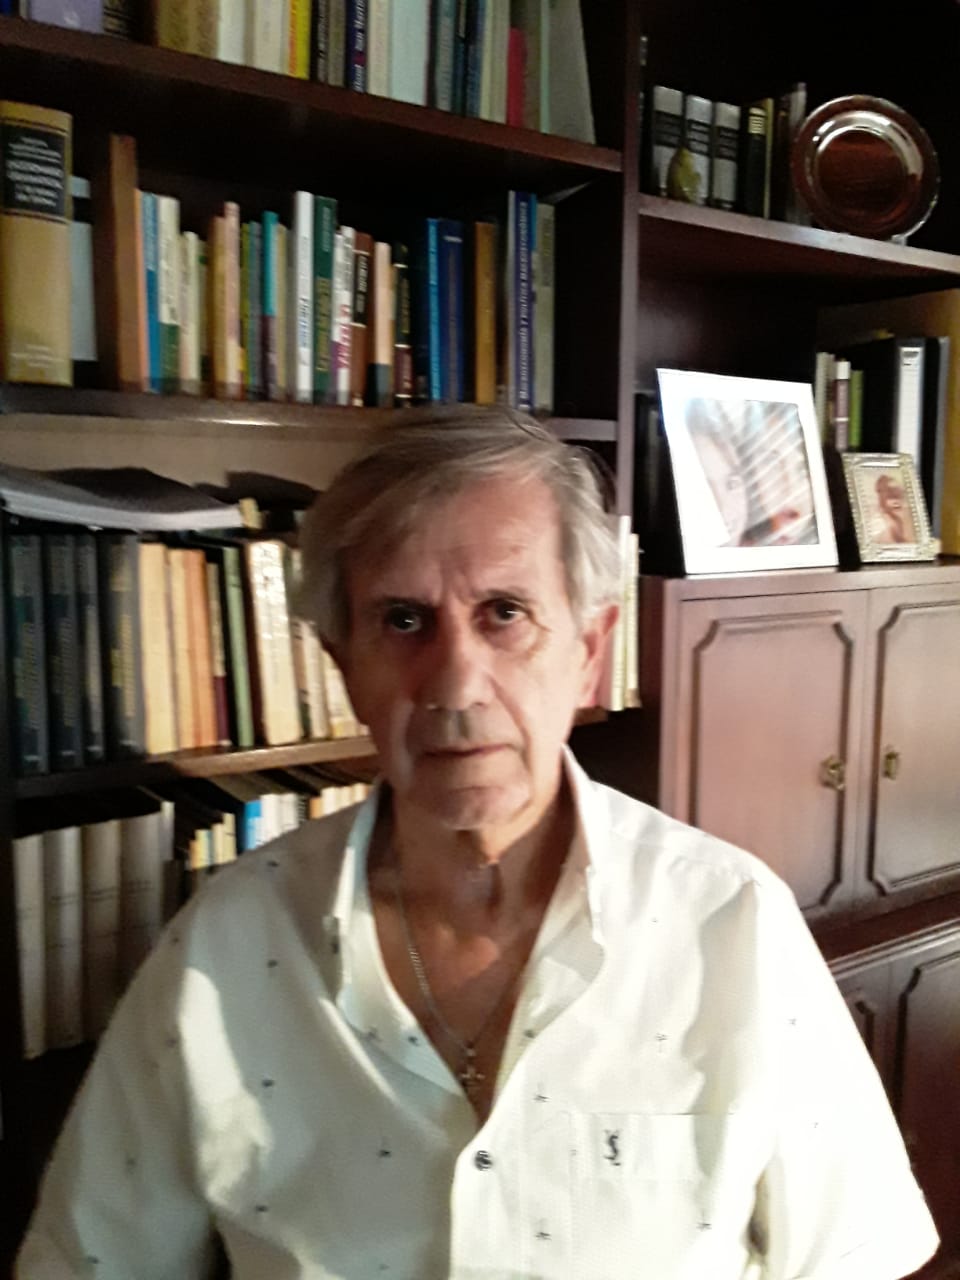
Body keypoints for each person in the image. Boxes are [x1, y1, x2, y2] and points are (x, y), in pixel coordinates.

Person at [18, 408, 939, 1279]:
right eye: (403, 620)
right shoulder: (223, 948)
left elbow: (851, 1257)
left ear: (589, 649)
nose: (456, 684)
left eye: (504, 612)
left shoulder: (731, 922)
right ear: (343, 664)